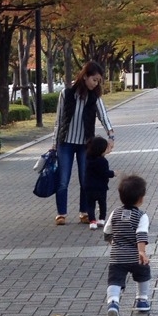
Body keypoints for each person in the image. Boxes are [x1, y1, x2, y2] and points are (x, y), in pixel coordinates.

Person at [52, 60, 115, 226]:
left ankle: (84, 212)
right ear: (85, 76)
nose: (96, 83)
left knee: (85, 178)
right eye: (94, 79)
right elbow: (58, 121)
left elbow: (103, 116)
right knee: (63, 179)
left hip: (86, 145)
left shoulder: (95, 97)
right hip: (65, 142)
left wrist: (111, 135)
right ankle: (61, 213)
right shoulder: (66, 94)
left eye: (98, 81)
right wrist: (54, 143)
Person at [103, 175, 150, 316]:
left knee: (115, 280)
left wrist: (113, 242)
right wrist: (141, 251)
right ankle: (142, 300)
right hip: (136, 256)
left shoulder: (115, 213)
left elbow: (107, 231)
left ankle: (113, 303)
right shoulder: (141, 216)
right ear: (141, 198)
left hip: (117, 257)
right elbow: (141, 234)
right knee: (143, 274)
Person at [81, 135, 116, 229]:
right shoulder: (103, 161)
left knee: (90, 205)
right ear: (101, 150)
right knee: (102, 203)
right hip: (101, 187)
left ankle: (92, 221)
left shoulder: (88, 159)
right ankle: (101, 219)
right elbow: (105, 173)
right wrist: (113, 173)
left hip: (89, 187)